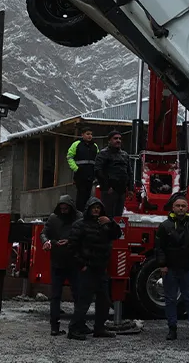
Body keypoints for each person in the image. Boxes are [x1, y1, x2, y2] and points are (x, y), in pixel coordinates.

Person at [66, 196, 122, 341]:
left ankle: (99, 328)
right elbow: (72, 247)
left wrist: (111, 222)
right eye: (93, 207)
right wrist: (82, 265)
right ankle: (74, 329)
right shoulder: (80, 225)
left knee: (104, 300)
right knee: (84, 301)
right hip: (88, 268)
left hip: (101, 268)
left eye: (98, 207)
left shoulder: (105, 224)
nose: (96, 210)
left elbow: (117, 235)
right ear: (88, 209)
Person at [156, 194, 189, 341]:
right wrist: (162, 265)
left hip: (188, 270)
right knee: (170, 300)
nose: (180, 208)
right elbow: (159, 248)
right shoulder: (165, 226)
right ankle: (172, 329)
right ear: (173, 207)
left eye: (183, 206)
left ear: (187, 208)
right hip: (170, 269)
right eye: (178, 206)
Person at [41, 195, 79, 336]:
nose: (63, 210)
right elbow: (44, 233)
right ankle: (55, 327)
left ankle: (75, 325)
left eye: (65, 208)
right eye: (61, 208)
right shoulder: (54, 218)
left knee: (76, 295)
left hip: (72, 261)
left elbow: (82, 236)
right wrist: (46, 241)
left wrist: (69, 241)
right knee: (56, 296)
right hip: (59, 261)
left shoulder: (78, 218)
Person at [94, 131, 132, 218]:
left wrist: (130, 188)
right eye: (115, 138)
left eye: (119, 138)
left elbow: (129, 172)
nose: (118, 140)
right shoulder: (103, 154)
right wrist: (106, 186)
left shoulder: (125, 155)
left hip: (121, 191)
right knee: (108, 216)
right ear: (109, 140)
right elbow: (98, 171)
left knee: (118, 216)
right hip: (109, 191)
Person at [66, 128, 98, 212]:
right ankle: (79, 213)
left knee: (88, 196)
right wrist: (76, 168)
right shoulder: (76, 144)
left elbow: (98, 160)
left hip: (91, 175)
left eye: (91, 134)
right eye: (87, 134)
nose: (90, 136)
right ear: (82, 135)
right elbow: (69, 157)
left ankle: (87, 213)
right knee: (81, 195)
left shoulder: (95, 146)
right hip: (80, 175)